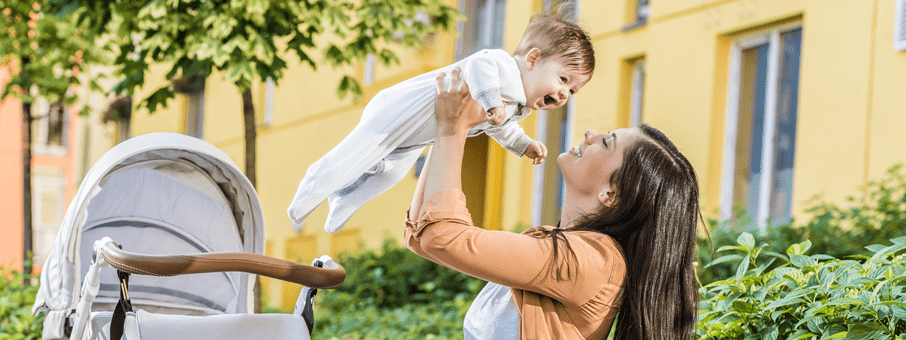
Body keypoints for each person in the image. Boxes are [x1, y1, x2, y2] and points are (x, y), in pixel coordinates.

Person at [405, 69, 701, 339]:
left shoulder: (593, 261)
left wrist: (452, 127)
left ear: (611, 194)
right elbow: (421, 237)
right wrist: (449, 130)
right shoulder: (560, 247)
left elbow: (441, 237)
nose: (590, 134)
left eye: (607, 142)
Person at [288, 13, 596, 233]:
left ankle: (344, 199)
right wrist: (490, 100)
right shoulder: (503, 66)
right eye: (563, 79)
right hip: (401, 109)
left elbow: (500, 127)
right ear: (532, 59)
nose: (564, 93)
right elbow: (478, 64)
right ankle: (312, 185)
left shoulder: (516, 105)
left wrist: (523, 144)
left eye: (572, 90)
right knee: (357, 156)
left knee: (390, 174)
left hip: (418, 136)